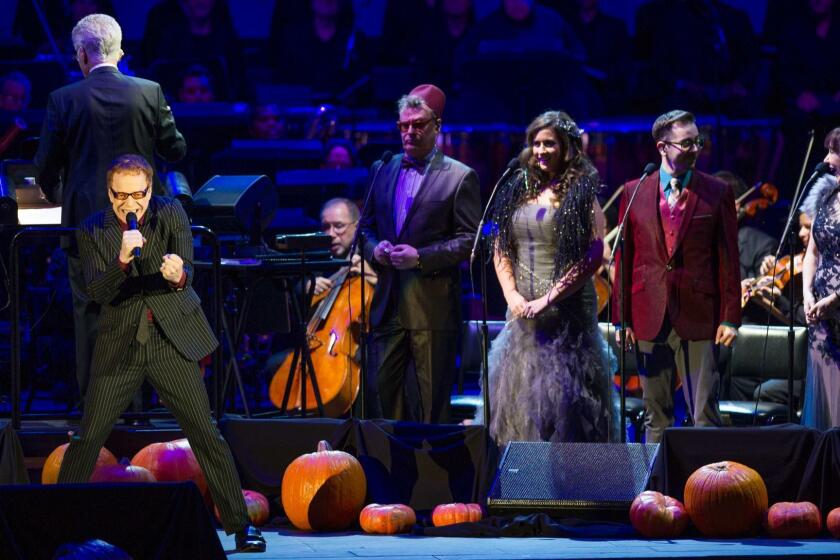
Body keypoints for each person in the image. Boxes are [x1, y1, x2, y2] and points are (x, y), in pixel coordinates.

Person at [57, 155, 265, 552]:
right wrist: (122, 260)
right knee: (88, 438)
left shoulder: (170, 213)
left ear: (151, 190)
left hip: (170, 339)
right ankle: (58, 520)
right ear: (109, 192)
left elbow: (187, 268)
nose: (130, 203)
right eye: (121, 195)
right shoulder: (92, 229)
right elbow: (97, 293)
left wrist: (179, 274)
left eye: (138, 194)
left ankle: (241, 525)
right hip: (121, 345)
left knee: (204, 432)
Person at [35, 13, 187, 410]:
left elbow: (44, 166)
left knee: (89, 314)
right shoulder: (149, 92)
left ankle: (95, 409)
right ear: (118, 51)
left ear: (83, 54)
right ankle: (135, 410)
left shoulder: (63, 99)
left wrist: (58, 197)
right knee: (136, 310)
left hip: (83, 224)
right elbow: (177, 150)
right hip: (138, 220)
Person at [484, 110, 615, 444]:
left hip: (564, 315)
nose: (541, 150)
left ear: (567, 148)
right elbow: (501, 245)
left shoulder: (581, 193)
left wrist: (548, 298)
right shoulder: (517, 188)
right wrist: (512, 295)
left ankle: (572, 488)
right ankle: (524, 486)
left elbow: (593, 255)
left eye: (549, 144)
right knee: (520, 403)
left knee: (565, 406)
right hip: (523, 316)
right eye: (536, 143)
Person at [612, 109, 740, 443]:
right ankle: (656, 490)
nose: (695, 148)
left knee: (704, 415)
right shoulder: (634, 191)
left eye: (697, 141)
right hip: (648, 314)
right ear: (662, 147)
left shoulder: (717, 192)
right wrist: (621, 320)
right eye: (686, 143)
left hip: (700, 315)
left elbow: (728, 259)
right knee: (656, 416)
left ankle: (709, 493)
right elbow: (624, 261)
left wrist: (730, 318)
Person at [359, 83, 480, 423]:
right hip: (387, 304)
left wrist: (421, 257)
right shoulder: (382, 168)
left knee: (429, 408)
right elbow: (364, 229)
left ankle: (432, 476)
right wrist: (375, 249)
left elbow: (470, 240)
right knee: (380, 400)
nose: (409, 132)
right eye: (403, 125)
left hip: (432, 309)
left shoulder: (459, 177)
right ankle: (389, 473)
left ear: (437, 126)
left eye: (418, 124)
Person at [802, 126, 840, 430]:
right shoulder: (827, 194)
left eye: (835, 151)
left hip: (836, 304)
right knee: (823, 391)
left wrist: (835, 300)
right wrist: (807, 295)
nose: (828, 158)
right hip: (821, 315)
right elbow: (812, 252)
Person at [311, 197, 377, 296]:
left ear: (356, 226)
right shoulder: (318, 258)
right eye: (325, 227)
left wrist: (375, 280)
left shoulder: (373, 255)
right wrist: (308, 284)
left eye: (339, 226)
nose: (331, 234)